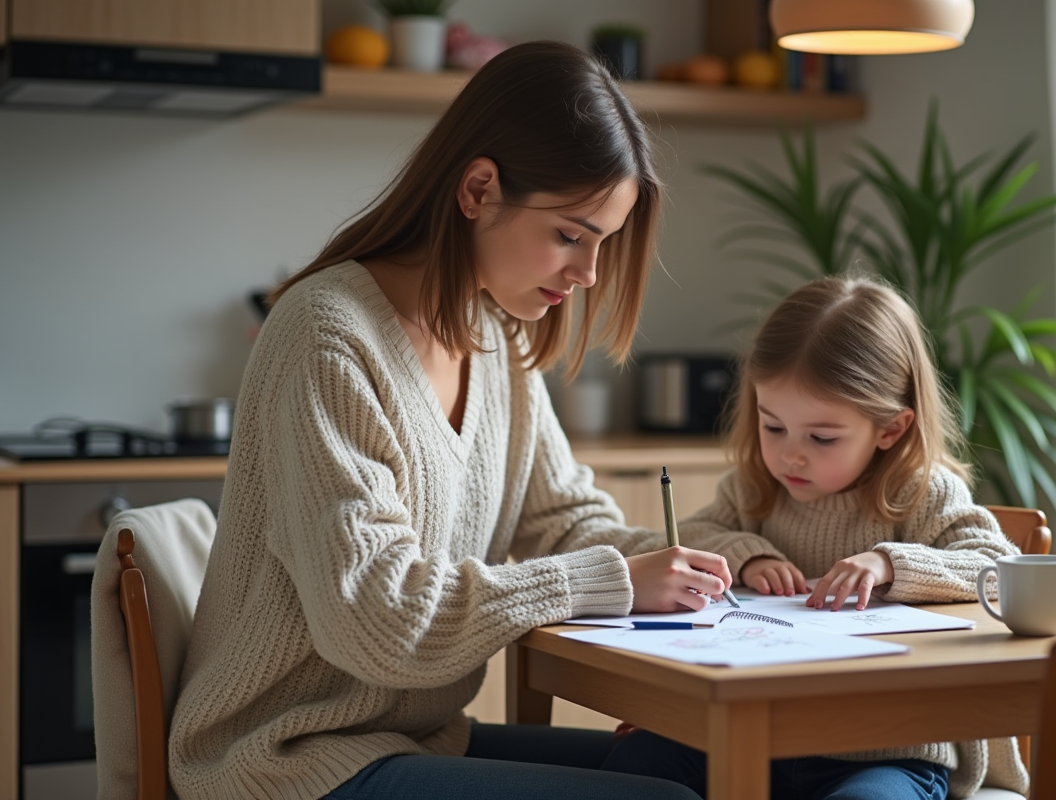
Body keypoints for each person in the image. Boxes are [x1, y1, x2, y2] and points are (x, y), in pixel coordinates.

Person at [167, 41, 785, 800]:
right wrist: (612, 581)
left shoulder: (493, 338)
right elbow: (380, 618)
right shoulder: (325, 336)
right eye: (570, 234)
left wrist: (721, 565)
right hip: (285, 758)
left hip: (408, 738)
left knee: (710, 769)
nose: (588, 275)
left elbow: (564, 522)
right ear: (479, 189)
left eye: (604, 245)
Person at [602, 276, 1029, 799]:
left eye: (822, 437)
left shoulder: (922, 492)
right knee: (638, 765)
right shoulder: (754, 488)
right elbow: (692, 534)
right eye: (772, 426)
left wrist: (888, 564)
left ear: (890, 429)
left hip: (890, 750)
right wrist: (747, 556)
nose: (789, 456)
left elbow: (998, 565)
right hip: (755, 737)